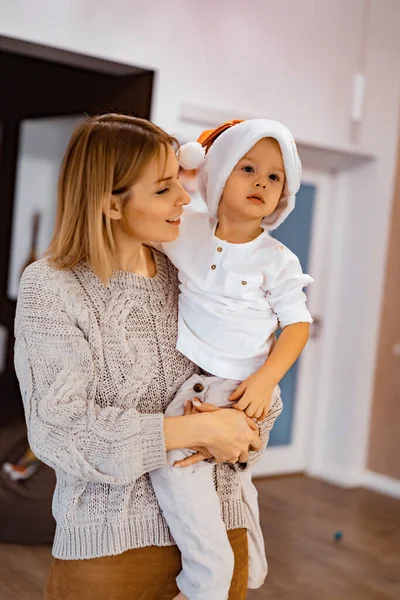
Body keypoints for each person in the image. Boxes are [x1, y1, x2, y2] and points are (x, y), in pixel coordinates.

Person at [14, 113, 264, 600]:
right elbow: (59, 430)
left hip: (219, 531)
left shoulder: (192, 274)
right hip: (111, 549)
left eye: (181, 181)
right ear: (110, 203)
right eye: (163, 188)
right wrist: (198, 429)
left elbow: (253, 387)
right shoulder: (53, 286)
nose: (185, 199)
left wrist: (246, 425)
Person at [149, 119, 313, 600]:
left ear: (284, 192)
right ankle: (251, 557)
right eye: (247, 168)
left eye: (275, 177)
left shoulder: (277, 260)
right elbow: (150, 215)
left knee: (177, 464)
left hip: (239, 384)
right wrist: (182, 170)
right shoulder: (187, 230)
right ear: (217, 174)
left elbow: (297, 325)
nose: (262, 182)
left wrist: (264, 382)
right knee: (229, 475)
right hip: (193, 376)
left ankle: (208, 576)